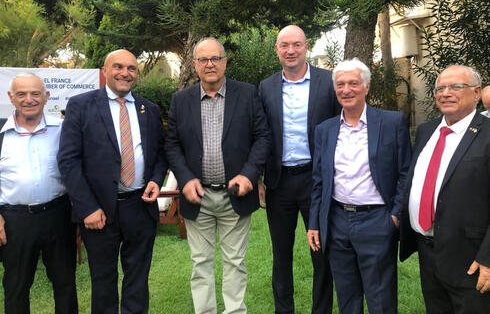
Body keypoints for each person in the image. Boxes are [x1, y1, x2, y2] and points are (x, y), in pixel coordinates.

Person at [57, 49, 167, 314]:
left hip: (139, 205)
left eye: (131, 68)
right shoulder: (81, 105)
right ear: (105, 71)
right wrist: (87, 208)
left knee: (137, 279)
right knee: (103, 280)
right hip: (99, 210)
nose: (125, 73)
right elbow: (69, 161)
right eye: (118, 67)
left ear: (136, 75)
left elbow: (160, 153)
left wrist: (155, 179)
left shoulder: (149, 109)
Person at [165, 37, 270, 314]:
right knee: (201, 263)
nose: (210, 64)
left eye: (216, 58)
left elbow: (262, 138)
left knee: (235, 262)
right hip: (197, 196)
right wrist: (185, 179)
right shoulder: (181, 100)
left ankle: (235, 311)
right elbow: (172, 145)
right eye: (203, 60)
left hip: (234, 194)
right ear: (194, 65)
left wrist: (249, 175)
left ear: (225, 62)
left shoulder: (247, 94)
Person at [307, 58, 411, 313]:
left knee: (381, 299)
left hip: (376, 219)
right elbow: (319, 180)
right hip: (337, 220)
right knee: (347, 297)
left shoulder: (391, 123)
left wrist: (395, 216)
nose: (346, 89)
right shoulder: (325, 130)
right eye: (340, 84)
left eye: (353, 83)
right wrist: (314, 222)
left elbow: (407, 173)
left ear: (366, 86)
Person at [258, 25, 340, 314]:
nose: (290, 50)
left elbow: (339, 130)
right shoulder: (266, 86)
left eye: (296, 44)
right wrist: (257, 175)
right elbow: (261, 134)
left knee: (321, 253)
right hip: (278, 183)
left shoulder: (328, 82)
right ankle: (285, 310)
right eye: (284, 45)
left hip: (315, 181)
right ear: (277, 49)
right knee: (281, 255)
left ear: (306, 47)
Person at [400, 65, 490, 313]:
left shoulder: (487, 134)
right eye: (440, 88)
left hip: (471, 259)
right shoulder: (427, 130)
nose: (445, 93)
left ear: (476, 92)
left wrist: (488, 258)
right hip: (428, 252)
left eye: (455, 87)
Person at [0, 73, 78, 314]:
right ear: (11, 98)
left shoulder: (63, 130)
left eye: (35, 93)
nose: (29, 99)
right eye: (21, 94)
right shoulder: (1, 134)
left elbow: (77, 169)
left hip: (58, 215)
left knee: (65, 283)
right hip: (15, 221)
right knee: (16, 286)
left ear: (46, 97)